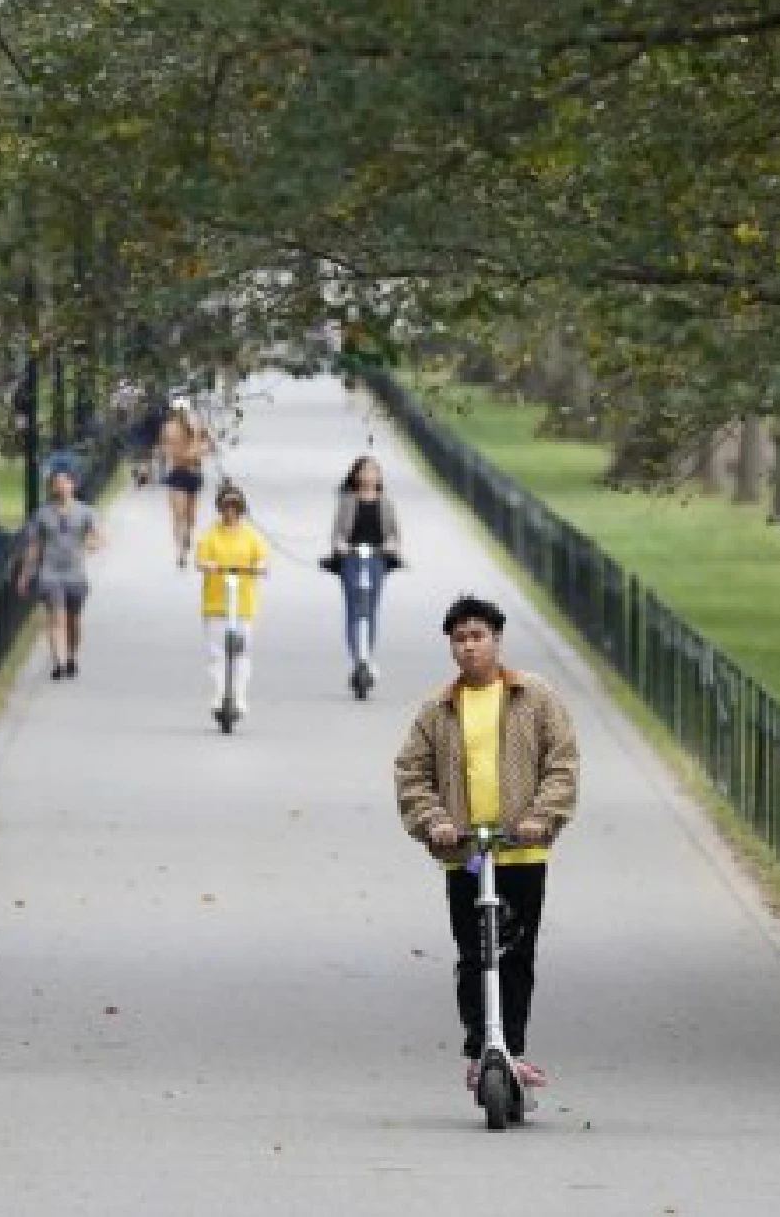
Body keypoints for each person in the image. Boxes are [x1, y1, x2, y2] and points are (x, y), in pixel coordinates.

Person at [392, 595, 579, 1096]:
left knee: (516, 953)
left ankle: (512, 1049)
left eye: (478, 636)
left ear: (496, 641)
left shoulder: (533, 697)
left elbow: (561, 762)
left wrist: (542, 816)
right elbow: (412, 774)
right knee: (474, 954)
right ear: (451, 647)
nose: (470, 646)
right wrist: (434, 822)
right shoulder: (438, 709)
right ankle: (480, 1049)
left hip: (521, 851)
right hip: (468, 855)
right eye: (460, 639)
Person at [17, 462, 104, 679]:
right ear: (52, 487)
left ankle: (72, 657)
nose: (62, 486)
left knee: (73, 621)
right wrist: (26, 574)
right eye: (57, 483)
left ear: (73, 485)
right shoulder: (42, 514)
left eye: (65, 482)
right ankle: (59, 663)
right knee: (57, 618)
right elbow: (34, 546)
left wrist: (93, 542)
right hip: (50, 573)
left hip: (75, 573)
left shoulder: (86, 511)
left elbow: (98, 535)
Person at [325, 455, 402, 689]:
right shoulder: (347, 501)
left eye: (373, 471)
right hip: (352, 559)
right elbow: (338, 533)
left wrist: (391, 545)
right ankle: (358, 658)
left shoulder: (386, 502)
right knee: (353, 607)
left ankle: (367, 655)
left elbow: (394, 534)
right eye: (365, 471)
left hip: (376, 559)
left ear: (379, 477)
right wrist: (340, 545)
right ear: (356, 475)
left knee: (370, 608)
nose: (369, 475)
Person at [193, 484, 270, 712]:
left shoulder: (251, 536)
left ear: (241, 508)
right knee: (216, 652)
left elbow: (263, 559)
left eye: (235, 507)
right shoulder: (210, 535)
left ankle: (239, 695)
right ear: (220, 508)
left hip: (242, 603)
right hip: (216, 602)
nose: (231, 512)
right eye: (226, 506)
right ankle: (219, 694)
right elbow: (200, 560)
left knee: (241, 651)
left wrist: (259, 566)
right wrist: (208, 565)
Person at [158, 397, 208, 567]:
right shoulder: (169, 427)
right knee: (178, 513)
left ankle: (187, 537)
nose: (181, 413)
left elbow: (206, 446)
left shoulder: (197, 425)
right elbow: (165, 448)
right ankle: (181, 552)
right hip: (177, 473)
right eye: (178, 410)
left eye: (183, 410)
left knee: (191, 515)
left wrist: (197, 449)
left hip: (193, 472)